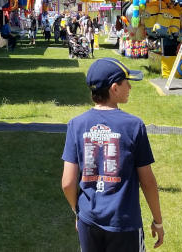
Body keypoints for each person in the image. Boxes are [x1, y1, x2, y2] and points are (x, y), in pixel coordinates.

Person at [61, 58, 165, 250]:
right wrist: (157, 221)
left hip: (88, 221)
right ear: (114, 88)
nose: (130, 88)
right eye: (127, 83)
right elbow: (148, 181)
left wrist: (78, 212)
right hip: (124, 223)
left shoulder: (75, 124)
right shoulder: (134, 125)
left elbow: (67, 182)